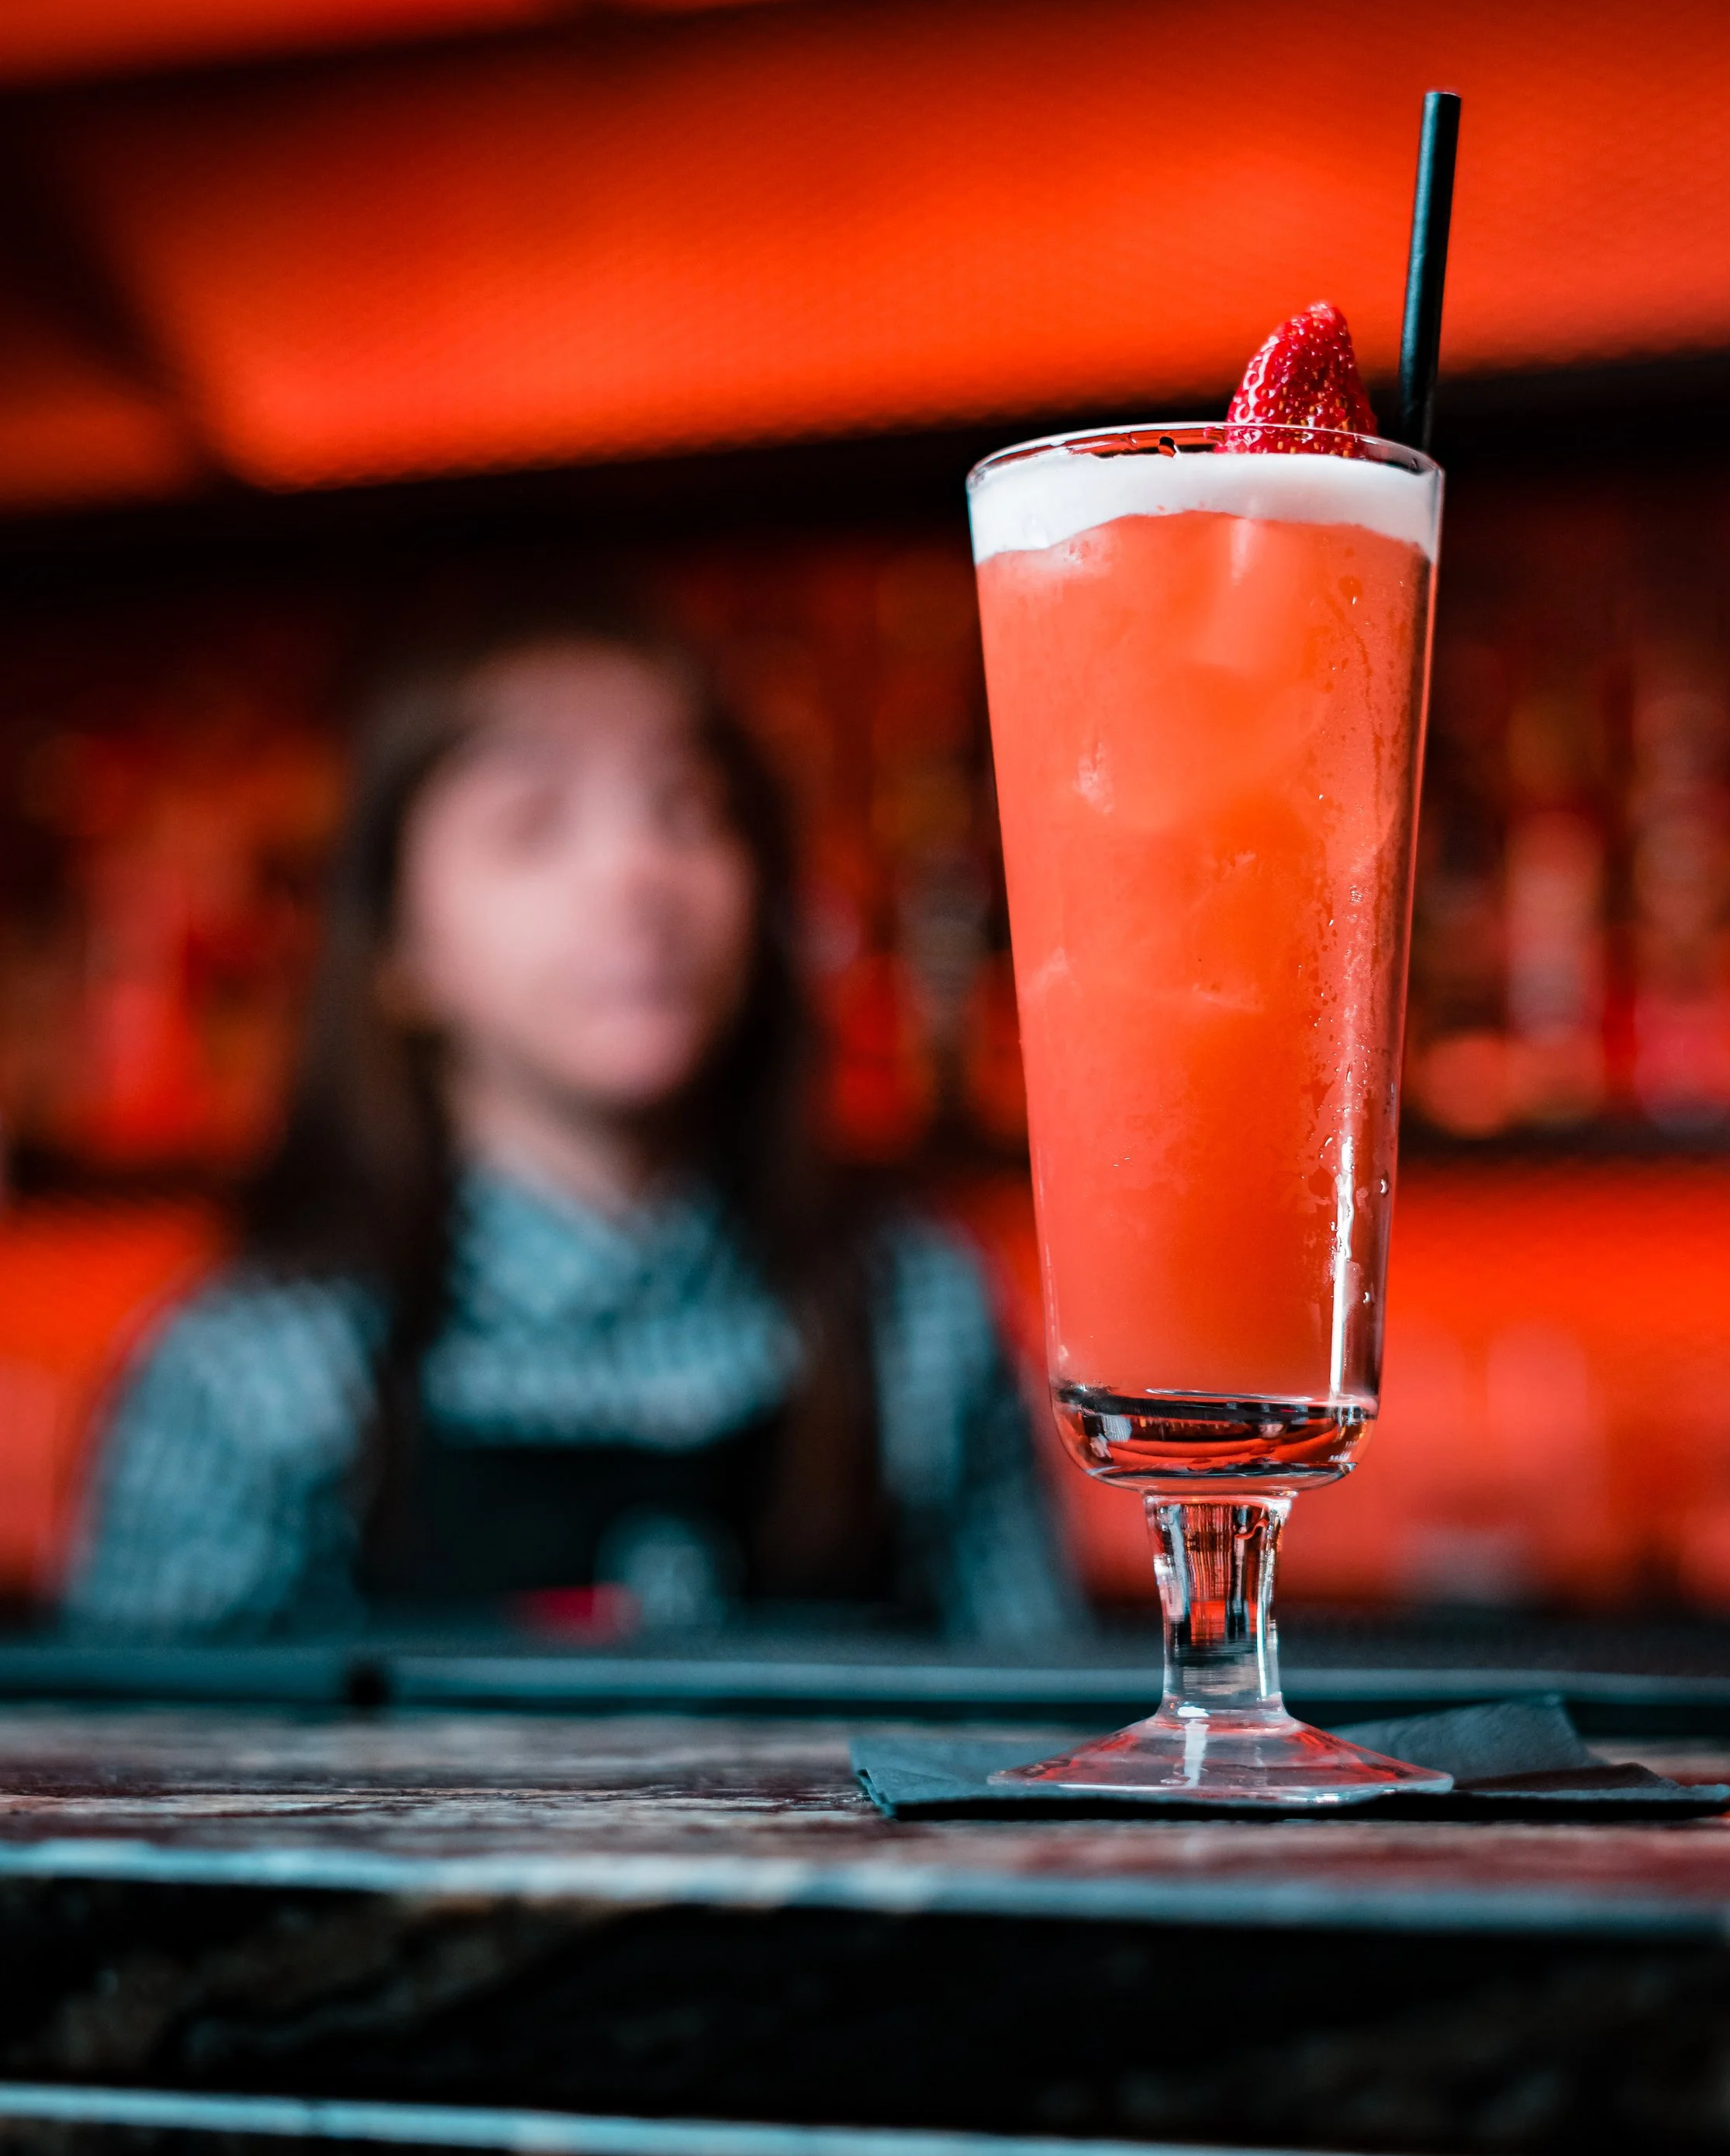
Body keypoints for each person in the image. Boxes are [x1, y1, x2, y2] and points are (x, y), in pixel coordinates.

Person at [66, 613, 1080, 1642]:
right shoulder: (253, 1376)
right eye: (532, 824)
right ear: (397, 950)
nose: (637, 873)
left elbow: (1040, 1747)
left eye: (689, 809)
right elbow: (146, 1784)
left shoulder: (920, 1318)